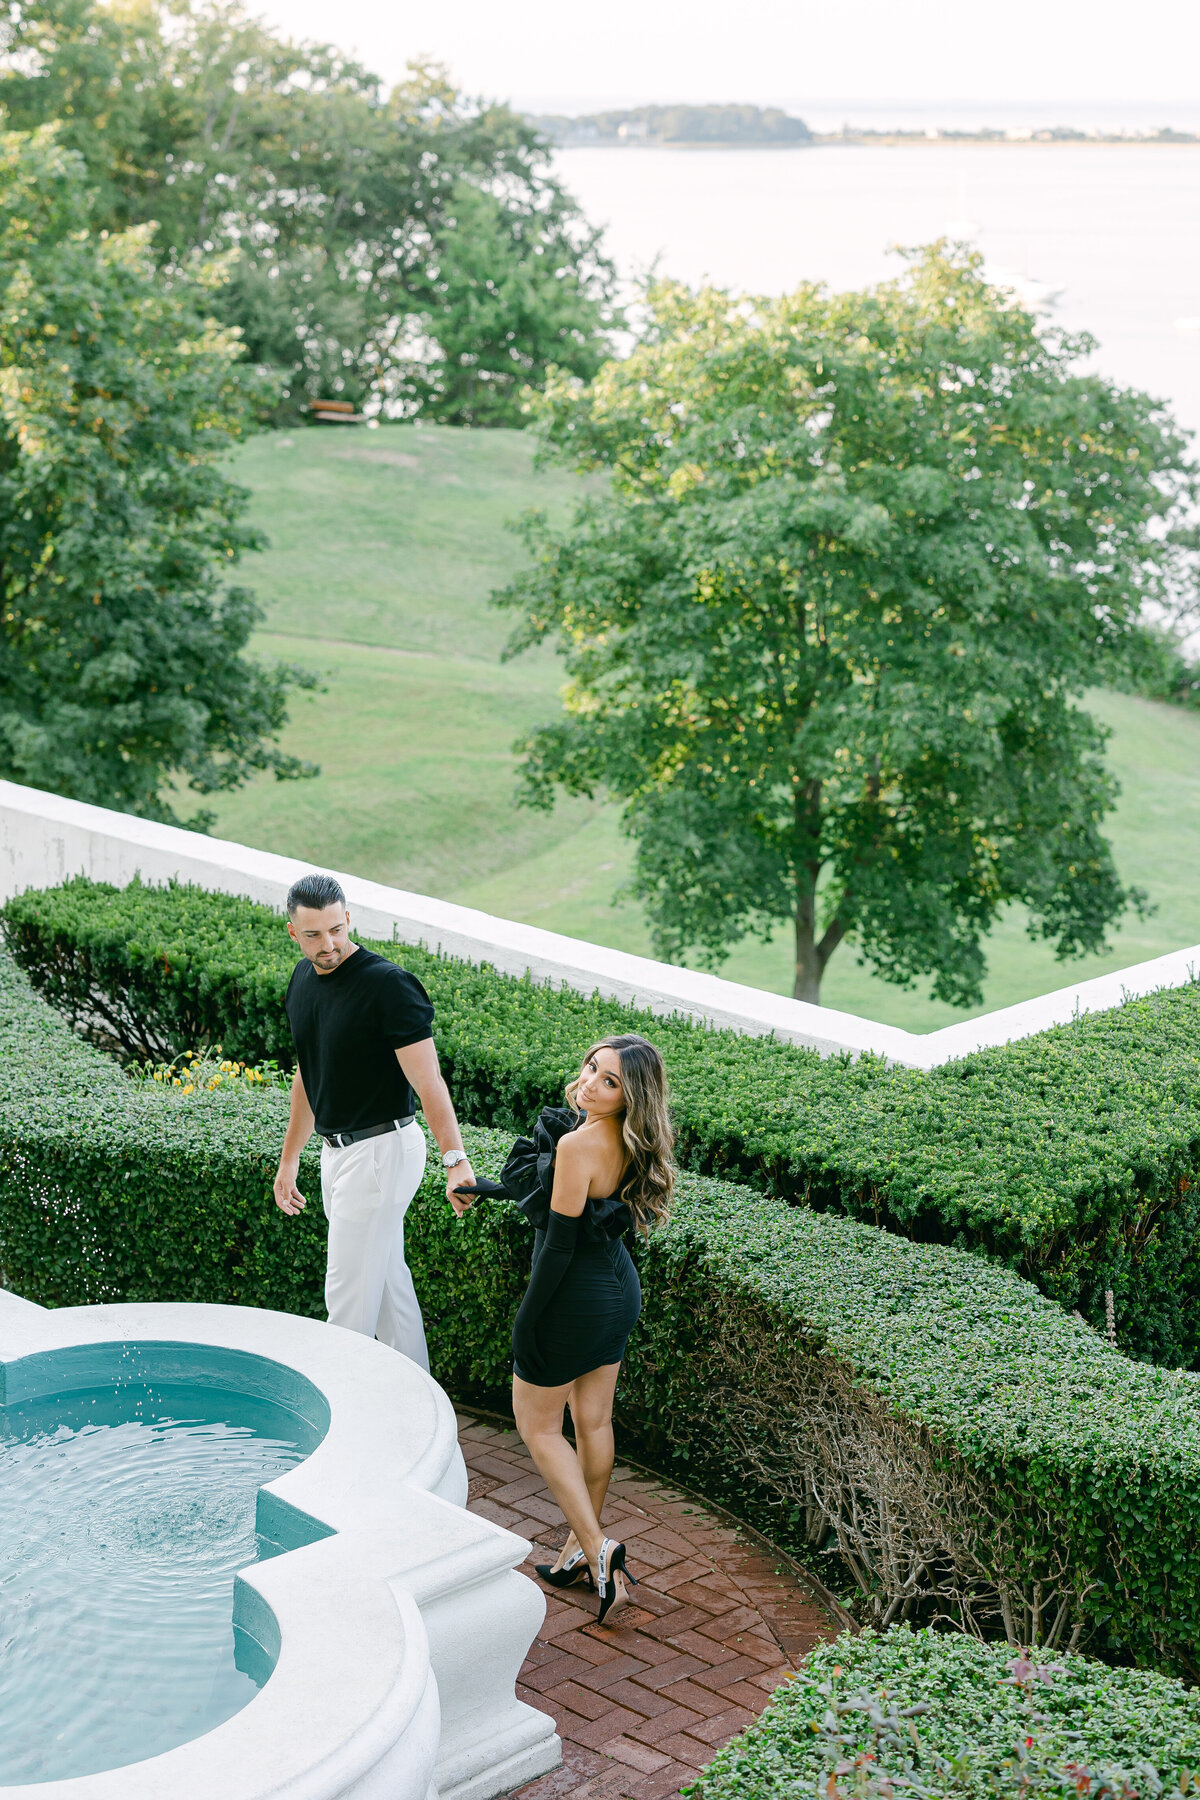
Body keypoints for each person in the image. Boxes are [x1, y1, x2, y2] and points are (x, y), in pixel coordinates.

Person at [457, 1034, 675, 1626]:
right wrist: (483, 1188)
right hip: (617, 1290)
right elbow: (564, 1195)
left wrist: (529, 1318)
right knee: (594, 1420)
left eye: (609, 1081)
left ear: (630, 1096)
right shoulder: (626, 1140)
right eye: (591, 1067)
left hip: (573, 1297)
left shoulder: (580, 1142)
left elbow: (555, 1247)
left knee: (537, 1425)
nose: (590, 1082)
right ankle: (581, 1550)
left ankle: (599, 1552)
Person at [272, 871, 476, 1370]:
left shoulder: (388, 986)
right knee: (387, 1290)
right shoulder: (302, 981)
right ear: (294, 933)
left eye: (337, 929)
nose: (330, 944)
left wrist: (456, 1162)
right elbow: (307, 1075)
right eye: (315, 935)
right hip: (336, 1153)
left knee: (346, 1305)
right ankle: (425, 1423)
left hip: (382, 1153)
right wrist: (289, 1159)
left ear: (348, 918)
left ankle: (349, 1434)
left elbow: (430, 1084)